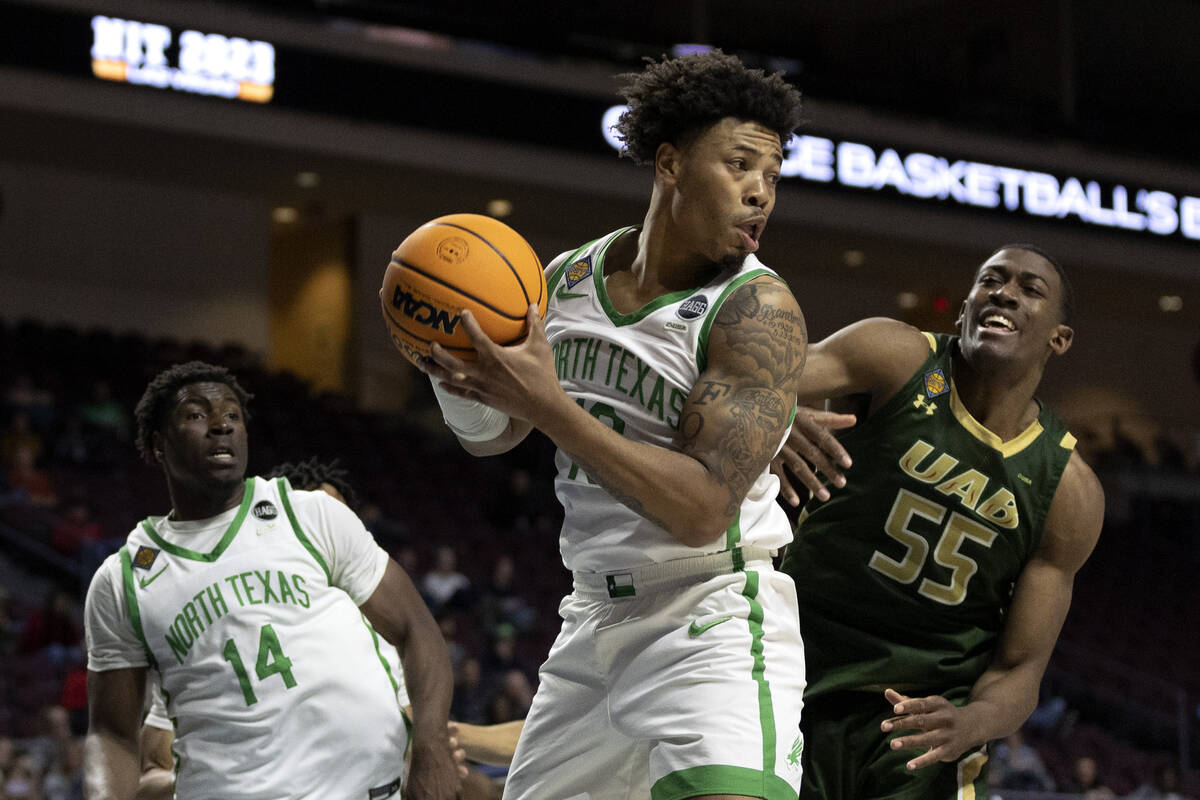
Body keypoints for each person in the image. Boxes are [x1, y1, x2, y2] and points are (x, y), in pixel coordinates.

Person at [420, 50, 809, 799]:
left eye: (772, 176)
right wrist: (453, 370)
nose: (761, 192)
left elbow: (700, 509)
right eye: (740, 165)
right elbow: (491, 437)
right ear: (670, 163)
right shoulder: (565, 279)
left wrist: (549, 407)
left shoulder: (757, 308)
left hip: (713, 618)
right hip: (592, 618)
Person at [773, 245, 1106, 799]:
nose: (1004, 292)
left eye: (1030, 288)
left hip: (920, 720)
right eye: (991, 281)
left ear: (1059, 338)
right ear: (965, 309)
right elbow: (740, 379)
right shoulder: (896, 356)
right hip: (791, 662)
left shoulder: (1070, 491)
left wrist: (971, 724)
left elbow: (1020, 670)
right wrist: (772, 417)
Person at [82, 362, 459, 800]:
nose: (221, 424)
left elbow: (417, 628)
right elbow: (112, 734)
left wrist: (431, 750)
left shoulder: (309, 514)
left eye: (232, 414)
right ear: (157, 444)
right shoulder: (123, 579)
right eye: (197, 414)